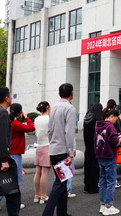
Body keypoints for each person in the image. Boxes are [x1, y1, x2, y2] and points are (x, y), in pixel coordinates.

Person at [42, 83, 76, 216]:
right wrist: (70, 152)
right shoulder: (70, 108)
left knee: (62, 181)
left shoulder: (54, 107)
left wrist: (53, 142)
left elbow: (49, 130)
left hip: (54, 148)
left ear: (59, 94)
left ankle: (62, 212)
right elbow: (69, 132)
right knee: (60, 183)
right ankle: (47, 213)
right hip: (63, 150)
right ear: (72, 94)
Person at [94, 109, 121, 215]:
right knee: (111, 181)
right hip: (109, 155)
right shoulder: (110, 126)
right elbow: (115, 141)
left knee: (102, 181)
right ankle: (109, 205)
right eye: (116, 118)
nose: (116, 120)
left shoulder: (98, 125)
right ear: (112, 116)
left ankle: (102, 205)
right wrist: (120, 139)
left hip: (100, 155)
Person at [10, 103, 36, 209]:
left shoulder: (7, 122)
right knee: (17, 179)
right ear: (19, 112)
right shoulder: (15, 124)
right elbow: (31, 127)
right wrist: (26, 117)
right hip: (15, 154)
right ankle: (16, 202)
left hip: (8, 153)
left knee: (7, 179)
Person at [0, 87, 21, 216]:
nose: (11, 98)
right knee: (13, 194)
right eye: (10, 95)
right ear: (6, 98)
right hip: (3, 159)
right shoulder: (2, 113)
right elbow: (2, 137)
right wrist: (4, 160)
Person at [34, 101, 51, 204]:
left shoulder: (36, 119)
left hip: (38, 145)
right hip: (47, 145)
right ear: (48, 107)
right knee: (45, 173)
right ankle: (44, 195)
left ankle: (37, 194)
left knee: (38, 172)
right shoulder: (49, 119)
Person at [83, 103, 103, 194]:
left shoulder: (86, 118)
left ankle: (86, 186)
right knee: (95, 167)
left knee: (87, 166)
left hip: (87, 146)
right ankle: (93, 187)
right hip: (95, 147)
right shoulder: (97, 120)